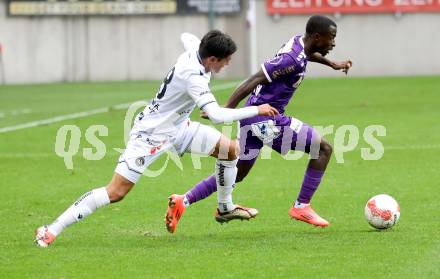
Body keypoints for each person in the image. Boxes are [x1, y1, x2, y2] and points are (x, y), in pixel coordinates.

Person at [35, 30, 279, 247]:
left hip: (179, 128)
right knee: (116, 192)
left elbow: (186, 36)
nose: (229, 63)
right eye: (226, 60)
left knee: (230, 150)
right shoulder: (192, 76)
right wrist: (257, 109)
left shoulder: (197, 52)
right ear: (211, 59)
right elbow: (216, 115)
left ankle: (225, 208)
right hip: (151, 135)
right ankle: (51, 229)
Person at [165, 15, 353, 233]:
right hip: (266, 117)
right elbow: (253, 80)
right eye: (331, 38)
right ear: (317, 36)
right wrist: (227, 108)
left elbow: (309, 54)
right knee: (323, 149)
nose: (333, 43)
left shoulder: (300, 44)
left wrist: (332, 64)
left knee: (238, 172)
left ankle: (183, 201)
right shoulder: (290, 59)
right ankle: (302, 206)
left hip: (253, 118)